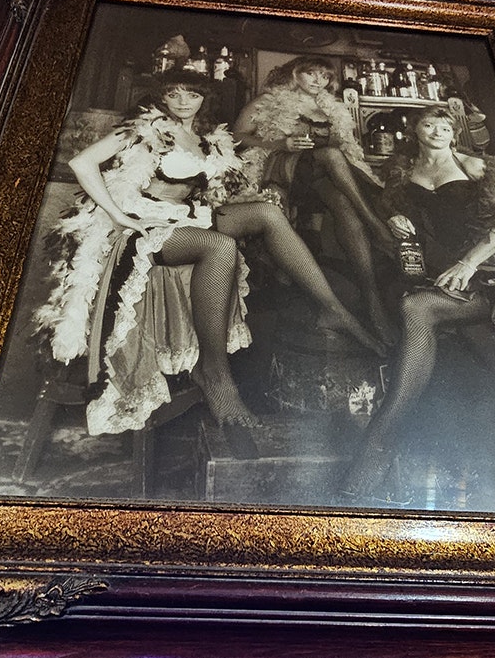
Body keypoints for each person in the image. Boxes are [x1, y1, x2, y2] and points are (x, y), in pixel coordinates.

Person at [34, 70, 378, 441]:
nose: (183, 102)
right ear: (162, 97)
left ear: (203, 100)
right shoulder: (144, 128)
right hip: (143, 229)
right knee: (220, 245)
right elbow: (81, 163)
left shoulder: (206, 138)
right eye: (174, 93)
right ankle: (215, 374)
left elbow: (215, 190)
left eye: (192, 95)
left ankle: (332, 308)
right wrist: (119, 215)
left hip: (185, 217)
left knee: (266, 213)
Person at [341, 107, 495, 505]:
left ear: (455, 132)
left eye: (446, 125)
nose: (438, 131)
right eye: (430, 124)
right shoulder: (401, 174)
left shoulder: (476, 165)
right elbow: (403, 227)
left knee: (418, 308)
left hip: (489, 273)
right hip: (437, 272)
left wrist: (468, 263)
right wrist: (399, 222)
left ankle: (377, 446)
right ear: (415, 130)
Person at [233, 56, 394, 339]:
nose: (318, 81)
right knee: (332, 155)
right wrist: (279, 142)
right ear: (295, 75)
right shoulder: (267, 100)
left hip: (318, 178)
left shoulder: (332, 109)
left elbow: (349, 149)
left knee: (343, 202)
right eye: (311, 74)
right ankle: (375, 224)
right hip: (282, 168)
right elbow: (238, 135)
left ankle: (373, 301)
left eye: (324, 76)